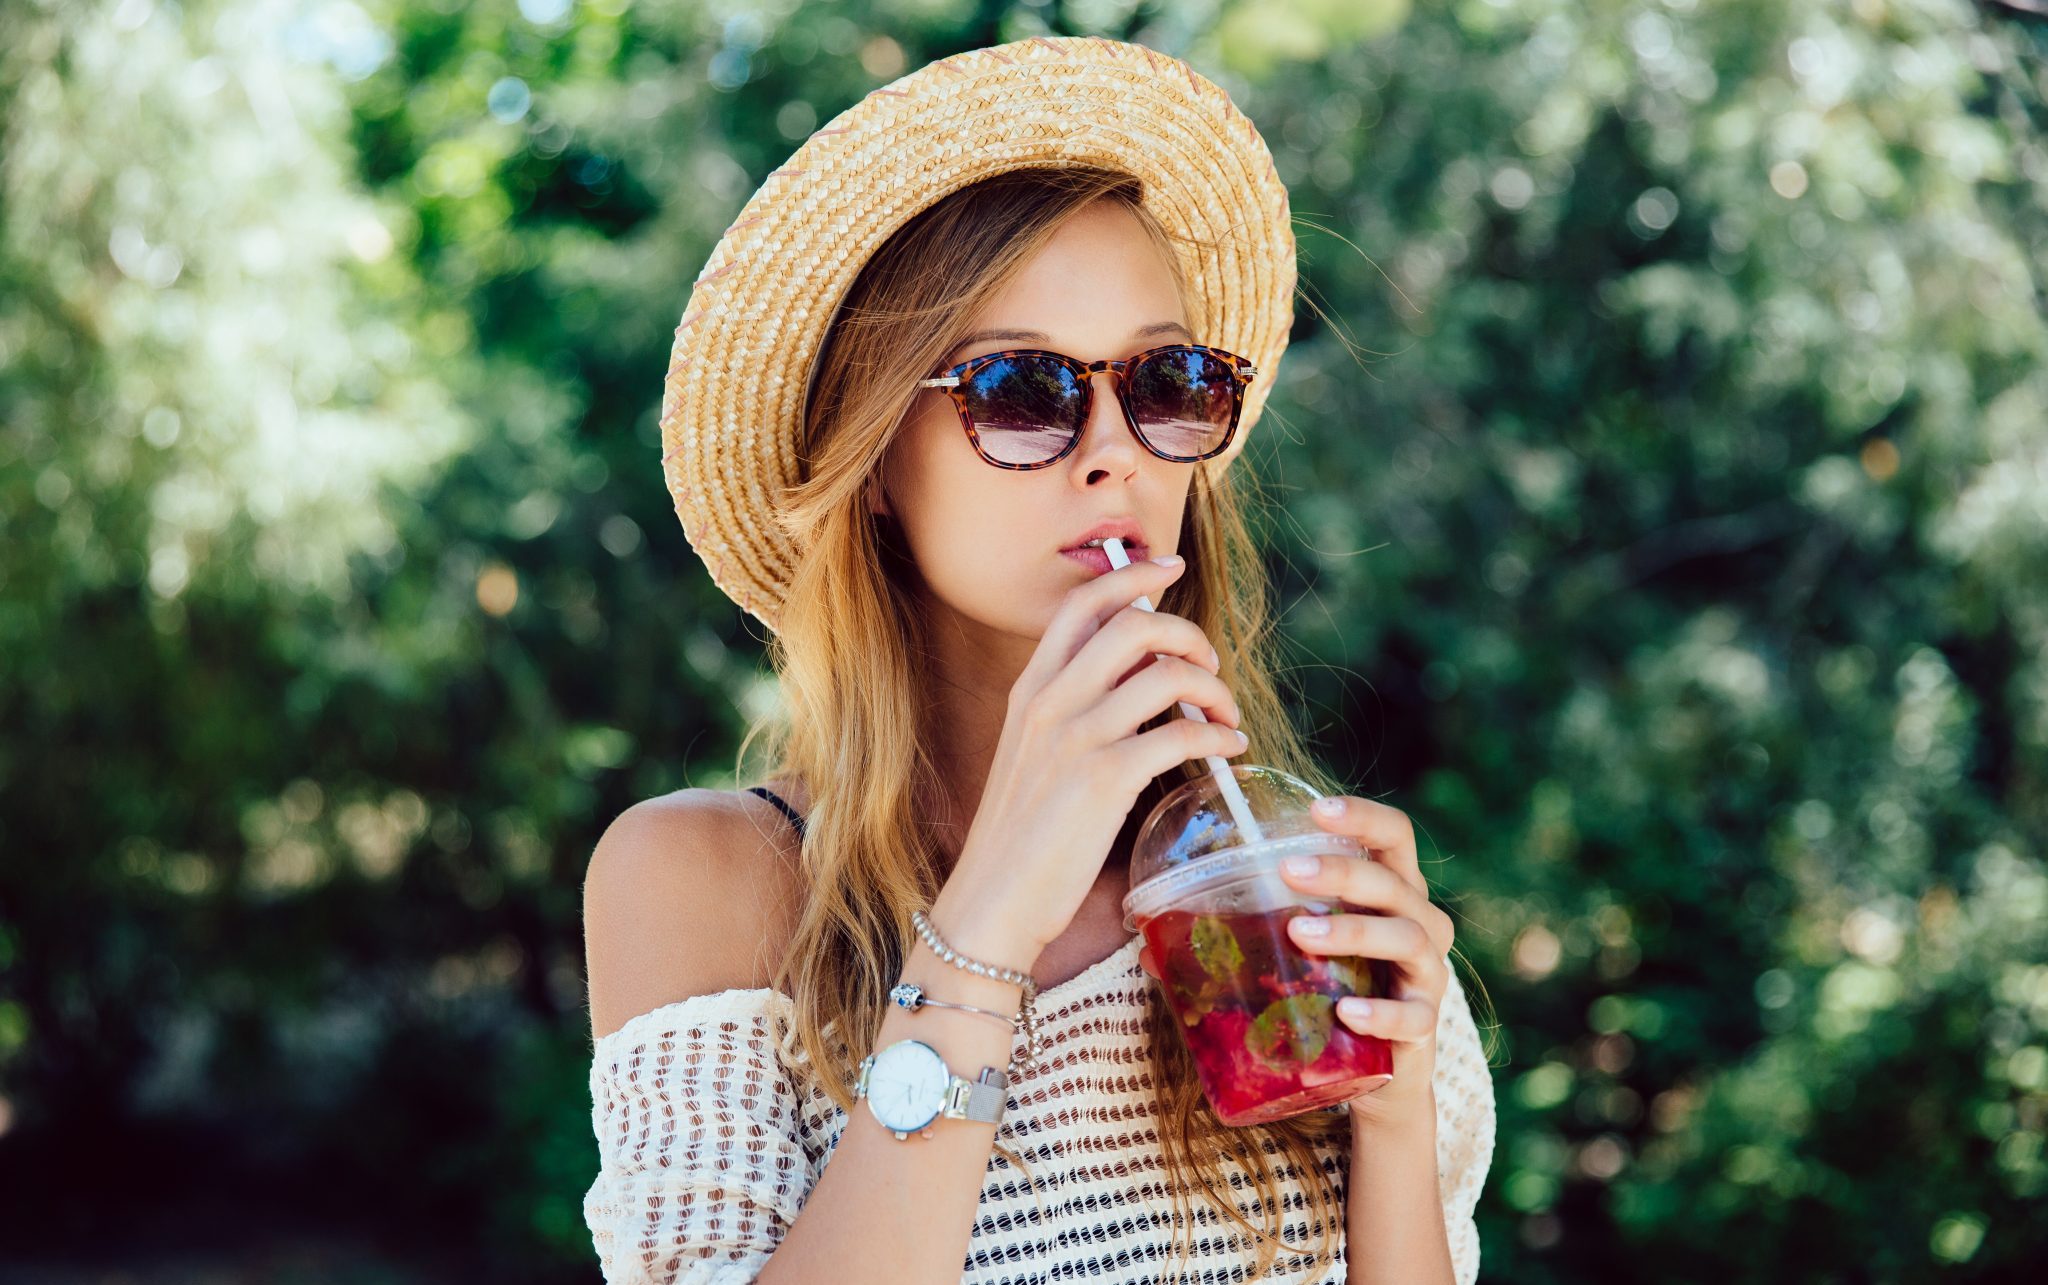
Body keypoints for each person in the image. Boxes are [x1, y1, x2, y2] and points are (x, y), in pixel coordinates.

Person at [581, 35, 1496, 1285]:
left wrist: (1391, 1122)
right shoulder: (709, 881)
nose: (1113, 449)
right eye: (1022, 392)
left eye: (1164, 379)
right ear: (874, 465)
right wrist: (994, 908)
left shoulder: (1279, 900)